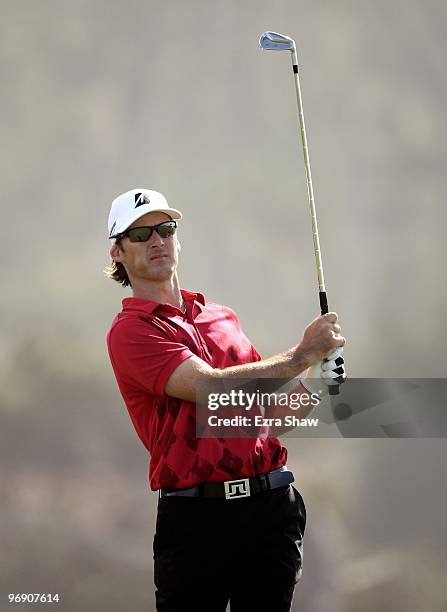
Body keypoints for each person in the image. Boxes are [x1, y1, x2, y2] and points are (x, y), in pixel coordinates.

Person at [105, 188, 346, 612]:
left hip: (272, 509)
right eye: (141, 235)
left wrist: (315, 381)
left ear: (178, 239)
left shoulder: (221, 317)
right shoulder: (131, 331)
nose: (157, 241)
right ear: (118, 252)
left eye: (165, 229)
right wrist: (303, 353)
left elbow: (270, 416)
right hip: (196, 520)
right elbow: (210, 387)